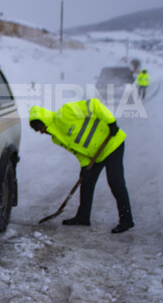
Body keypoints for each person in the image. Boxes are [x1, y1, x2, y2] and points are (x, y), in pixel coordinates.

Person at [29, 98, 134, 234]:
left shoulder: (65, 113)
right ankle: (83, 216)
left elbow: (94, 104)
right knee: (86, 182)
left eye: (39, 129)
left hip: (112, 143)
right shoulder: (56, 138)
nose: (41, 132)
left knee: (115, 181)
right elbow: (79, 151)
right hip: (95, 155)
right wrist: (85, 167)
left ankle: (126, 220)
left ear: (43, 122)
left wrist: (111, 122)